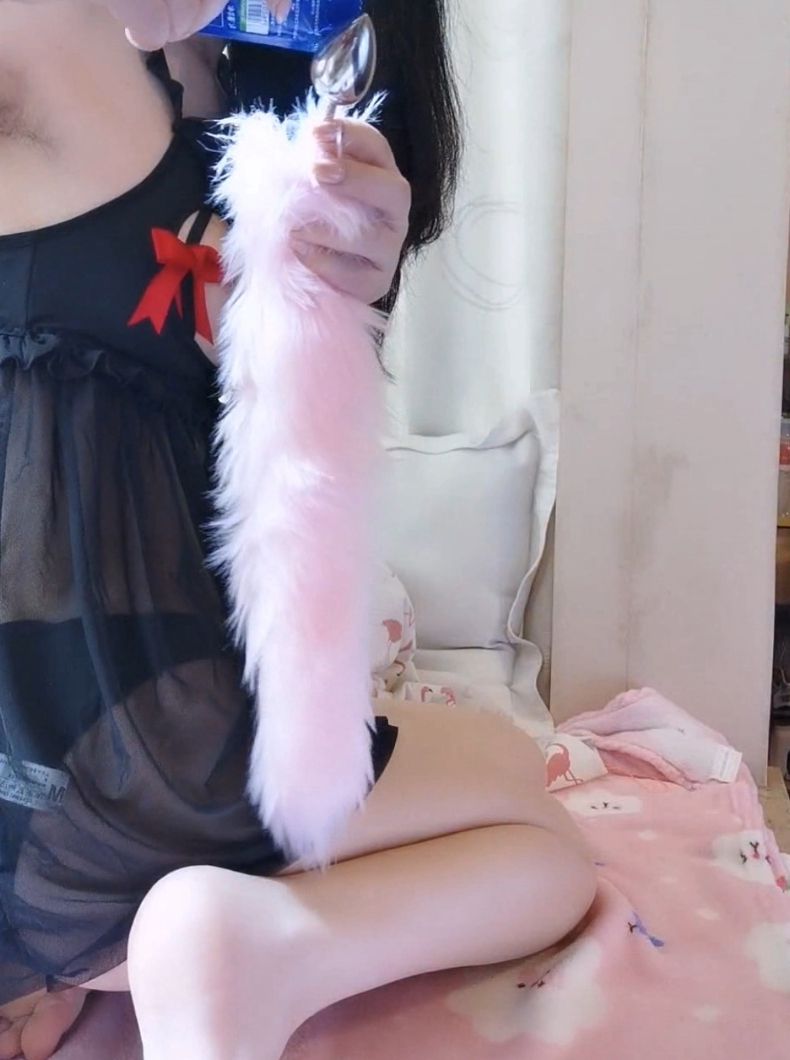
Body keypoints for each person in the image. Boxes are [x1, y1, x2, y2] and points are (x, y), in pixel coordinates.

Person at [0, 3, 596, 1059]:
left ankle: (111, 949)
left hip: (71, 782)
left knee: (512, 776)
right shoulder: (55, 35)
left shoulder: (273, 87)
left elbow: (250, 485)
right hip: (129, 771)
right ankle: (242, 945)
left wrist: (335, 307)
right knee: (544, 848)